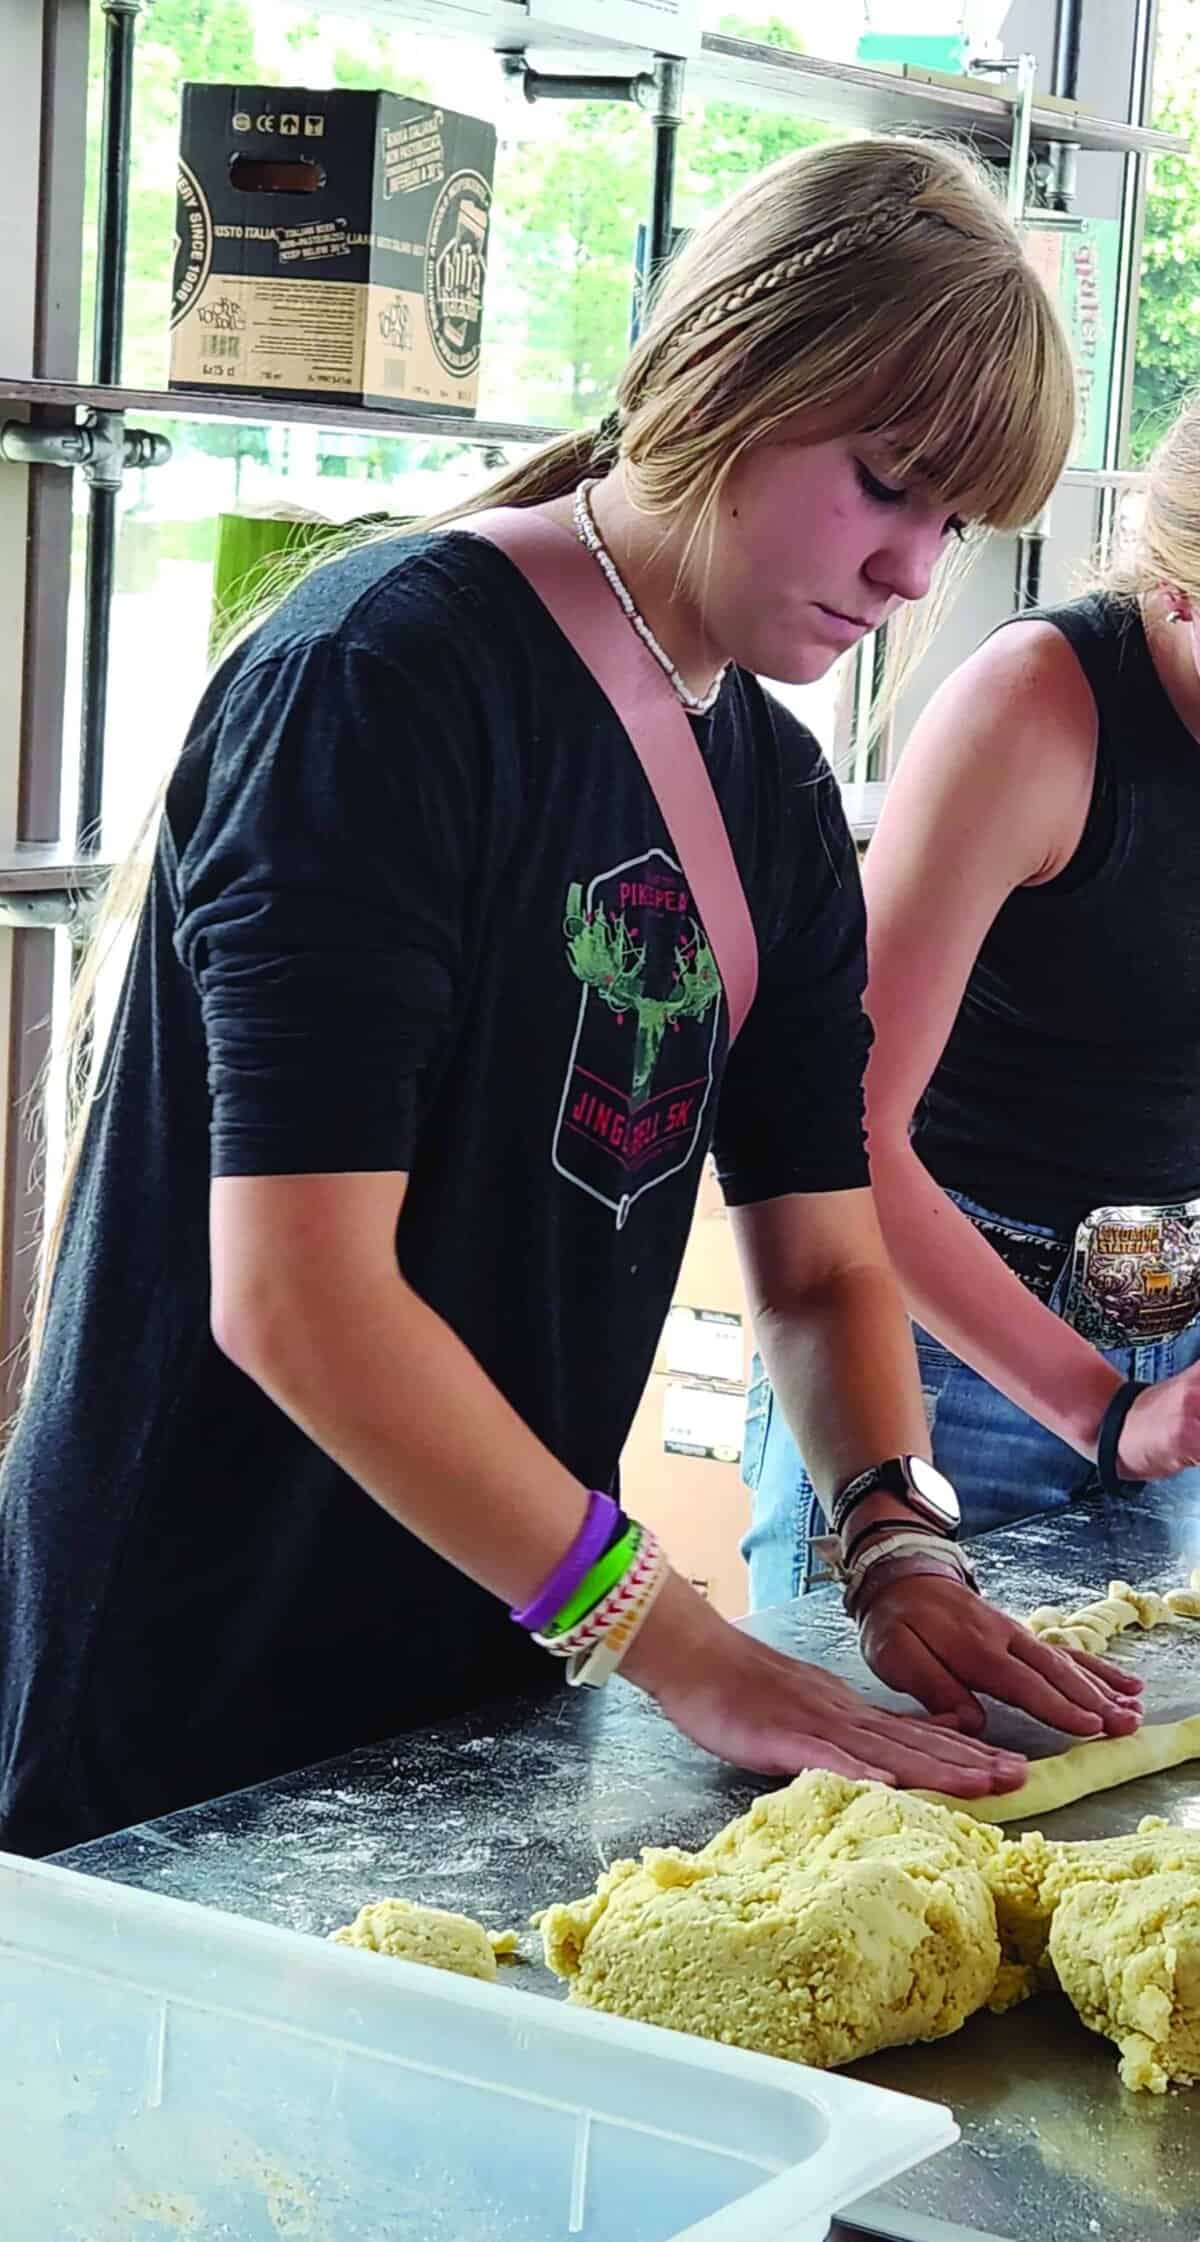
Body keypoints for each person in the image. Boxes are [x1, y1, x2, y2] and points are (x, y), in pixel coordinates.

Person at [0, 136, 1141, 1861]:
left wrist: (894, 1534)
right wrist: (681, 1645)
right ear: (734, 376)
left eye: (960, 521)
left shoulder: (767, 787)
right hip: (180, 1694)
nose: (921, 573)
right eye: (890, 482)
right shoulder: (379, 682)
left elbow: (827, 1263)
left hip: (474, 1672)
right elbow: (299, 1297)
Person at [743, 388, 1200, 1608]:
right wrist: (1105, 1410)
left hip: (1176, 1358)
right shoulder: (1035, 710)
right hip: (940, 1362)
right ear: (1181, 589)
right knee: (861, 1788)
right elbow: (843, 1138)